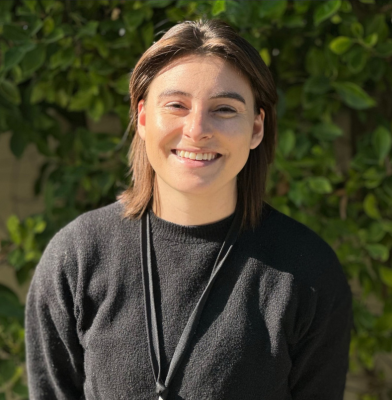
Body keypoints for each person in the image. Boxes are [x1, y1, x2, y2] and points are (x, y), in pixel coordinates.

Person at [25, 19, 353, 400]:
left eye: (224, 109)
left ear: (256, 128)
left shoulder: (308, 274)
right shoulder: (76, 259)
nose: (197, 130)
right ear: (143, 118)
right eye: (176, 105)